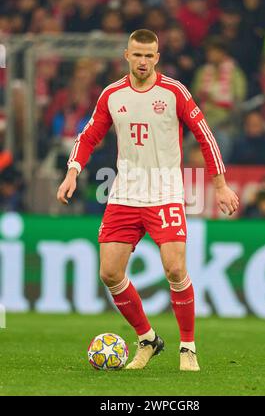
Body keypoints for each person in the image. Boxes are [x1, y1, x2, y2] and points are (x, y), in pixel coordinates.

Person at [57, 29, 239, 371]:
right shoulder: (112, 94)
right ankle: (148, 339)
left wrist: (220, 185)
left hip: (165, 191)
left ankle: (188, 348)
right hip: (125, 192)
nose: (143, 61)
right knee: (110, 273)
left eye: (149, 55)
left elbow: (205, 135)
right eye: (137, 54)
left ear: (157, 57)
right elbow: (90, 134)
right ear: (127, 55)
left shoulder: (174, 92)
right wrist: (72, 171)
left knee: (174, 268)